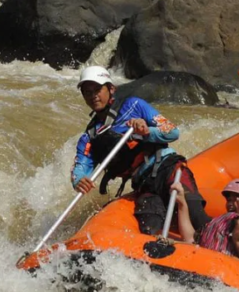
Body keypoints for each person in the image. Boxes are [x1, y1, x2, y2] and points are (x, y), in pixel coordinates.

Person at [72, 66, 209, 235]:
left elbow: (172, 131)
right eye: (87, 91)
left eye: (98, 89)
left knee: (196, 216)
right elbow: (80, 168)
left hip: (167, 168)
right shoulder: (89, 137)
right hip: (143, 184)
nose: (93, 95)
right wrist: (78, 181)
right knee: (149, 231)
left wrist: (145, 133)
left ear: (111, 89)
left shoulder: (134, 105)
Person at [170, 178, 239, 265]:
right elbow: (190, 239)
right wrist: (182, 204)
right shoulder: (221, 222)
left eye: (237, 199)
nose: (232, 204)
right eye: (229, 200)